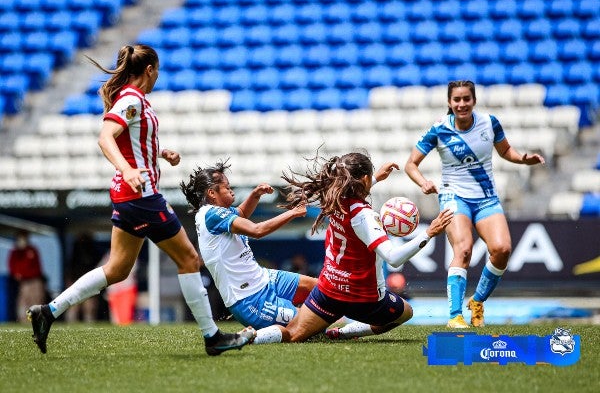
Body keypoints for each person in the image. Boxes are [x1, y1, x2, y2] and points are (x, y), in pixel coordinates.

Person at [26, 44, 253, 356]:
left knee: (117, 269)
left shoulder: (134, 102)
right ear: (150, 70)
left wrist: (161, 152)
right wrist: (128, 169)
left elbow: (130, 141)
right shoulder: (132, 100)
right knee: (188, 259)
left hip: (129, 196)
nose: (157, 76)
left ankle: (48, 311)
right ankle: (212, 336)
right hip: (142, 196)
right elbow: (106, 138)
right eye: (156, 71)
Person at [245, 152, 453, 344]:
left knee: (291, 334)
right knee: (405, 311)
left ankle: (249, 337)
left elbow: (351, 193)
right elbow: (393, 257)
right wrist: (429, 233)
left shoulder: (334, 199)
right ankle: (344, 332)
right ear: (363, 179)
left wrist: (375, 178)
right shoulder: (364, 216)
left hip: (329, 291)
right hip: (363, 300)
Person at [404, 80, 546, 329]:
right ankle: (455, 316)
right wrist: (423, 182)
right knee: (464, 249)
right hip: (453, 196)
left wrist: (524, 159)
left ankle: (477, 301)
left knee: (502, 249)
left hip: (486, 198)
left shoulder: (489, 123)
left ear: (474, 100)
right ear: (449, 102)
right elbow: (410, 164)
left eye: (466, 99)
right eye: (456, 100)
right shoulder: (439, 129)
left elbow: (506, 151)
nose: (461, 104)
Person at [180, 160, 318, 330]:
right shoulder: (212, 214)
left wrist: (255, 194)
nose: (231, 190)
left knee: (320, 289)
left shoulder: (215, 212)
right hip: (249, 299)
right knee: (310, 325)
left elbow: (242, 213)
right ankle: (253, 337)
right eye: (226, 186)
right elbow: (257, 230)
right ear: (212, 193)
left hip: (265, 279)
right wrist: (293, 213)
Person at [8, 230, 46, 324]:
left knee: (37, 299)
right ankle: (23, 320)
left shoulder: (32, 250)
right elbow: (12, 266)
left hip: (35, 279)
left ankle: (38, 319)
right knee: (24, 301)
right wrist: (16, 274)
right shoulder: (15, 252)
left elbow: (38, 266)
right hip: (24, 281)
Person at [64, 232, 102, 323]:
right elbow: (70, 267)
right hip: (77, 280)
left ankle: (88, 324)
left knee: (89, 306)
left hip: (89, 281)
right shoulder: (76, 249)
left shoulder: (93, 251)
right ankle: (71, 325)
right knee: (74, 306)